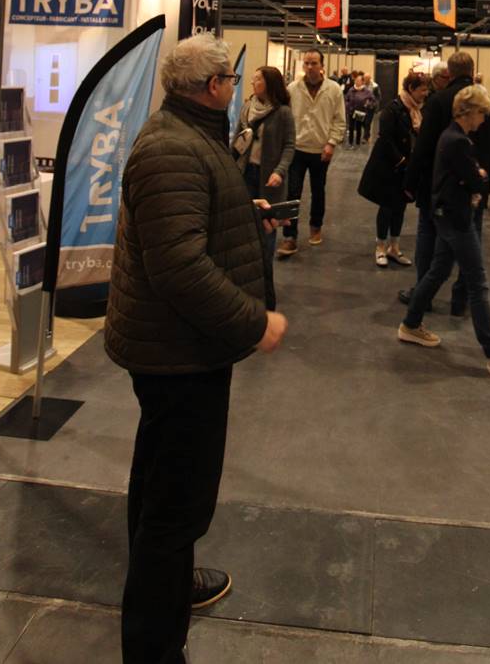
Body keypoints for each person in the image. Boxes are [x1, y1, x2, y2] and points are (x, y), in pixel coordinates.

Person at [105, 34, 288, 664]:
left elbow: (191, 222)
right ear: (212, 86)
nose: (236, 88)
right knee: (175, 504)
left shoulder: (189, 136)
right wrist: (253, 322)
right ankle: (154, 644)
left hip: (180, 349)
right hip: (178, 354)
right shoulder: (172, 147)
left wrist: (246, 213)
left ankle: (171, 584)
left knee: (161, 478)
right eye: (231, 81)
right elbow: (179, 268)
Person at [396, 85, 490, 377]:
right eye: (481, 113)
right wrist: (477, 178)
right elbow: (478, 183)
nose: (483, 120)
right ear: (469, 112)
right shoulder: (458, 142)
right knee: (477, 283)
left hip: (446, 215)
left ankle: (410, 323)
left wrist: (474, 178)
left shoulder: (451, 137)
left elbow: (470, 179)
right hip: (457, 218)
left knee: (438, 272)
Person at [398, 50, 476, 308]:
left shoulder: (438, 101)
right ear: (472, 70)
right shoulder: (483, 102)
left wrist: (410, 182)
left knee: (428, 235)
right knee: (469, 242)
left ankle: (423, 295)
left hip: (436, 182)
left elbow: (424, 145)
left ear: (449, 73)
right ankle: (460, 299)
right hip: (471, 184)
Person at [232, 65, 296, 305]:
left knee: (267, 231)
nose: (252, 82)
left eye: (257, 79)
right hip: (245, 173)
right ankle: (246, 282)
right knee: (245, 227)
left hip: (269, 180)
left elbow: (289, 146)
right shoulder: (247, 107)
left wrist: (280, 171)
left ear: (269, 83)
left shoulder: (283, 113)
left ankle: (265, 286)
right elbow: (237, 139)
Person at [278, 48, 346, 254]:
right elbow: (285, 118)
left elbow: (339, 120)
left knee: (318, 191)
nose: (309, 67)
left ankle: (316, 227)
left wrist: (331, 143)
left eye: (314, 63)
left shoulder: (334, 89)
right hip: (297, 149)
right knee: (292, 192)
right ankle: (290, 236)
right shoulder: (292, 88)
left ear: (322, 65)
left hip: (321, 150)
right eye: (306, 63)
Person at [358, 70, 429, 265]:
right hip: (389, 167)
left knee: (400, 207)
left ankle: (394, 247)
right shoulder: (393, 109)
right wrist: (402, 161)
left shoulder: (417, 110)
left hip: (406, 168)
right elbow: (386, 140)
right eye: (423, 90)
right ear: (411, 88)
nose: (426, 93)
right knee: (387, 207)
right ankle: (380, 247)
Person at [345, 71, 375, 148]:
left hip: (360, 112)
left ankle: (358, 142)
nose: (357, 82)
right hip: (351, 111)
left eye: (359, 81)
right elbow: (347, 99)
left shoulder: (366, 91)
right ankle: (350, 142)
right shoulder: (351, 89)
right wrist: (347, 106)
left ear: (362, 82)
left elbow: (372, 100)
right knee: (351, 127)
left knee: (358, 127)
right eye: (356, 80)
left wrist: (367, 104)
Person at [363, 74, 381, 142]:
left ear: (369, 78)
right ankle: (367, 134)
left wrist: (375, 104)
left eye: (366, 78)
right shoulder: (362, 85)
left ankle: (366, 137)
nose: (365, 79)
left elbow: (378, 97)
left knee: (368, 122)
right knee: (363, 121)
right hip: (363, 106)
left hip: (371, 107)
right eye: (364, 78)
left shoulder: (375, 86)